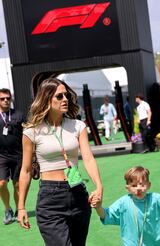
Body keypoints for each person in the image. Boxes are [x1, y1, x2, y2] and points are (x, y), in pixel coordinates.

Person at [18, 78, 103, 246]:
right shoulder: (32, 131)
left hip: (78, 194)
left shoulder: (78, 126)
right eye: (59, 96)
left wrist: (99, 186)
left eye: (66, 95)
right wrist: (21, 207)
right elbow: (26, 171)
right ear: (46, 99)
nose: (65, 99)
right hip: (50, 200)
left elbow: (88, 158)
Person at [91, 166, 160, 246]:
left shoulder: (156, 199)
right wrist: (98, 207)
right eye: (134, 186)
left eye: (142, 184)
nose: (139, 188)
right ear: (127, 188)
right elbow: (106, 215)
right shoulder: (123, 202)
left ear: (149, 185)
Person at [0, 88, 25, 224]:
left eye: (8, 98)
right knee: (1, 183)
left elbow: (27, 135)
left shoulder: (19, 115)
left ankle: (18, 209)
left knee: (17, 186)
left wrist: (31, 156)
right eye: (2, 98)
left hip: (18, 155)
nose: (6, 101)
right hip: (1, 156)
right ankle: (7, 209)